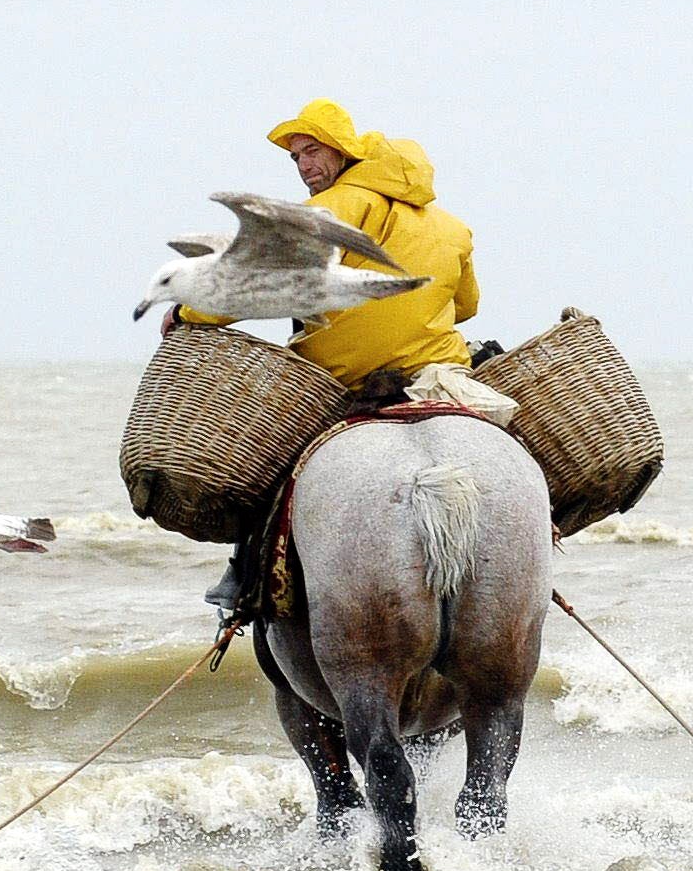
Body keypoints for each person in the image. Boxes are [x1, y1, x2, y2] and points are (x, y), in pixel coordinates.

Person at [179, 98, 481, 615]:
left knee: (269, 468)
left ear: (344, 151)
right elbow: (468, 307)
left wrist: (190, 314)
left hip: (344, 381)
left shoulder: (336, 207)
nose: (304, 167)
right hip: (440, 375)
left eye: (313, 151)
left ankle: (246, 573)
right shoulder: (452, 226)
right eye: (296, 157)